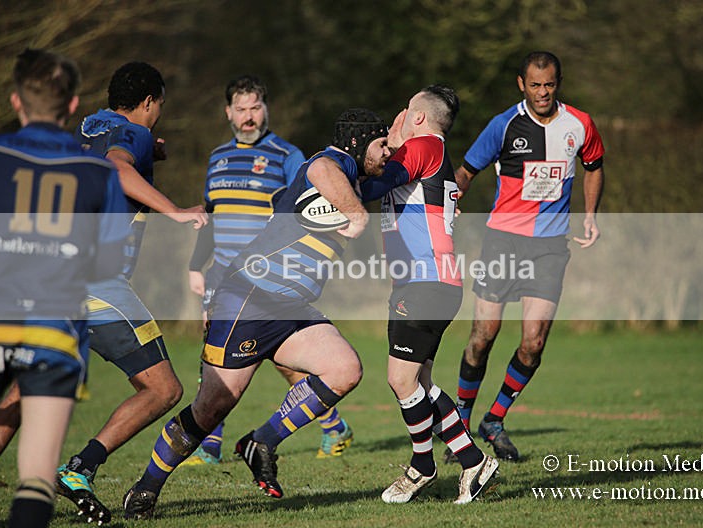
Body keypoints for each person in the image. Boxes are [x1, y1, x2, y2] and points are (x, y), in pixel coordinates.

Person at [122, 108, 392, 519]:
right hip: (249, 299)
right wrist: (356, 215)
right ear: (357, 142)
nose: (387, 151)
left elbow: (404, 157)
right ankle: (145, 489)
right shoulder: (330, 163)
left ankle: (261, 442)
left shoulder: (356, 179)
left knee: (345, 369)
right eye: (381, 143)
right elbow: (320, 167)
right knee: (210, 409)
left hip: (291, 308)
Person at [54, 61, 209, 523]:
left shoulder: (88, 127)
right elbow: (118, 169)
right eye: (159, 104)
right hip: (98, 284)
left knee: (19, 397)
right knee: (164, 389)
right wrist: (175, 210)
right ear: (148, 102)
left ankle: (78, 469)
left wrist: (145, 154)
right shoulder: (135, 137)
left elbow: (105, 157)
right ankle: (79, 469)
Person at [0, 48, 129, 528]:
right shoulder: (97, 173)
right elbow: (110, 262)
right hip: (55, 335)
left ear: (16, 101)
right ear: (72, 108)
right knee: (34, 482)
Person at [185, 75, 354, 465]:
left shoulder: (287, 155)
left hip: (269, 279)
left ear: (267, 108)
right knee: (215, 359)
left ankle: (333, 426)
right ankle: (210, 446)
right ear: (228, 112)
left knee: (282, 362)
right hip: (223, 279)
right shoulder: (217, 157)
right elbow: (212, 216)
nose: (249, 116)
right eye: (241, 109)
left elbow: (314, 204)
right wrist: (197, 266)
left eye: (255, 107)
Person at [450, 51, 605, 462]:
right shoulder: (503, 126)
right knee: (483, 336)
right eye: (535, 85)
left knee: (534, 342)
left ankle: (494, 419)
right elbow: (466, 171)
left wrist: (590, 215)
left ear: (559, 82)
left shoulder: (580, 124)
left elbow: (594, 166)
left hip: (551, 247)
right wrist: (448, 202)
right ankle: (461, 422)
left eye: (549, 85)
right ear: (522, 84)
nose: (542, 92)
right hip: (502, 242)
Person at [359, 86, 499, 504]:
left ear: (418, 118)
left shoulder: (422, 146)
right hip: (423, 283)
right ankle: (470, 462)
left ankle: (426, 466)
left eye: (406, 109)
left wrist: (339, 169)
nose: (398, 115)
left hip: (427, 283)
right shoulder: (429, 150)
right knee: (420, 382)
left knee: (400, 379)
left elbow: (369, 188)